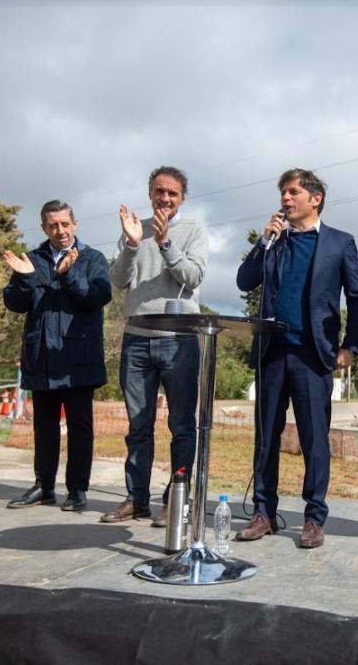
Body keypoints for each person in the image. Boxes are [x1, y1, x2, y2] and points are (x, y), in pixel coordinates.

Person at [235, 168, 358, 549]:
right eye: (282, 194)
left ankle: (314, 517)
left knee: (314, 440)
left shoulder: (340, 243)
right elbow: (245, 281)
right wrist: (263, 241)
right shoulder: (276, 243)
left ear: (315, 198)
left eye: (293, 193)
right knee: (265, 438)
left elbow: (357, 300)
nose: (286, 200)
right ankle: (263, 512)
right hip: (272, 353)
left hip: (314, 356)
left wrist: (349, 346)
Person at [101, 166, 207, 525]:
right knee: (138, 425)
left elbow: (192, 279)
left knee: (181, 425)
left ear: (182, 198)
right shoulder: (134, 228)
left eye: (172, 194)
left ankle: (176, 500)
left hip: (179, 341)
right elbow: (117, 281)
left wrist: (165, 243)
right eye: (160, 192)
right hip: (136, 340)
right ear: (150, 193)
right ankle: (136, 498)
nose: (165, 199)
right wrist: (132, 244)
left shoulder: (193, 231)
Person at [2, 200, 112, 512]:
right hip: (42, 359)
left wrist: (68, 274)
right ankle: (44, 486)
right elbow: (15, 303)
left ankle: (77, 490)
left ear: (74, 224)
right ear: (43, 228)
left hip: (79, 359)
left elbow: (98, 296)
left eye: (65, 224)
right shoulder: (33, 259)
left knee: (80, 428)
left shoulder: (92, 259)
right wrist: (24, 278)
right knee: (44, 427)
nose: (60, 230)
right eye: (53, 225)